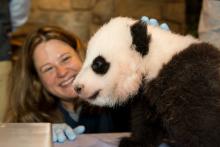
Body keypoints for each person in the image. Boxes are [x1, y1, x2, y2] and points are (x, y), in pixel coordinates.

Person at [4, 17, 169, 143]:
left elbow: (162, 120)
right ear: (37, 79)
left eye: (65, 59)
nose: (61, 72)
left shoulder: (120, 94)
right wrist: (35, 137)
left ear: (81, 55)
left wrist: (160, 68)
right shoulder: (31, 115)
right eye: (48, 68)